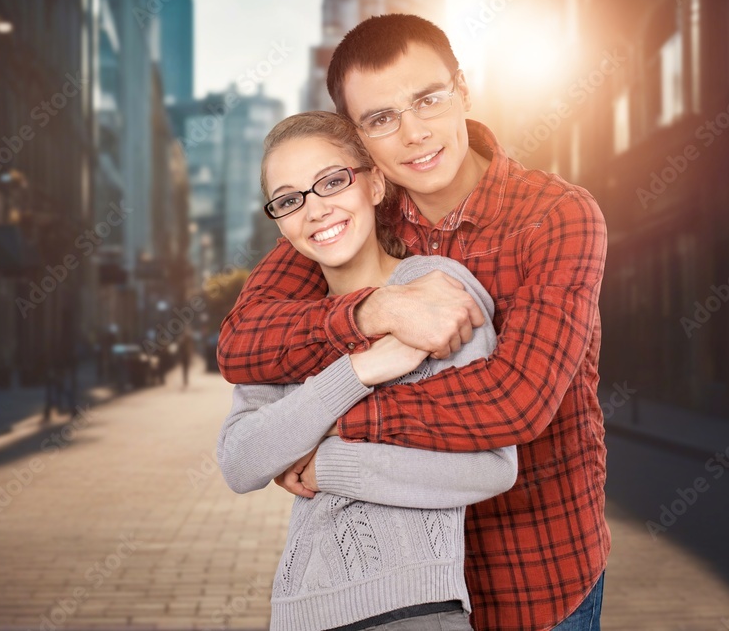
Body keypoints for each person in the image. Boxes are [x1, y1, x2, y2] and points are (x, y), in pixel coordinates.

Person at [218, 15, 609, 631]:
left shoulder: (555, 216)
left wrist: (322, 437)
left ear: (463, 90)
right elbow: (243, 342)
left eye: (428, 99)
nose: (414, 132)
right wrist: (373, 312)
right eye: (380, 119)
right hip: (395, 597)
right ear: (359, 141)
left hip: (536, 574)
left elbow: (516, 403)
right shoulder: (346, 206)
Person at [217, 111, 517, 631]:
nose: (315, 210)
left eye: (332, 181)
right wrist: (358, 369)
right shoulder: (286, 325)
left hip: (419, 611)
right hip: (300, 613)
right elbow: (240, 460)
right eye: (289, 200)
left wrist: (324, 464)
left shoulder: (435, 289)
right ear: (281, 222)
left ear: (375, 183)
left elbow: (493, 466)